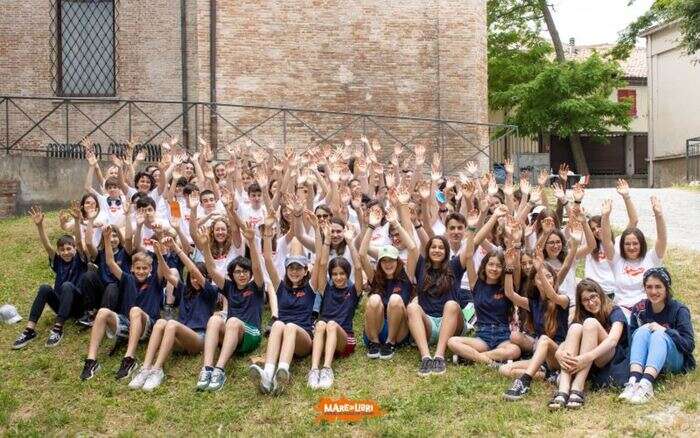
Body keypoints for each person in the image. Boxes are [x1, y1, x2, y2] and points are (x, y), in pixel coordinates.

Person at [128, 238, 221, 391]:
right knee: (160, 323)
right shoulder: (184, 290)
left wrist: (177, 249)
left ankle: (157, 370)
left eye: (198, 278)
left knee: (170, 323)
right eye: (192, 278)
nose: (195, 280)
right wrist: (159, 254)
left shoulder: (210, 292)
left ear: (206, 278)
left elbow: (194, 271)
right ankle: (145, 369)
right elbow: (166, 273)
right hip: (179, 337)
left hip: (198, 339)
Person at [248, 217, 323, 394]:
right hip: (282, 336)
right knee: (279, 323)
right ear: (286, 270)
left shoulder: (310, 287)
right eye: (291, 268)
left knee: (288, 326)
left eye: (298, 268)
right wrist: (266, 236)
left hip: (303, 338)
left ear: (305, 271)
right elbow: (267, 260)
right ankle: (267, 375)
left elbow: (319, 259)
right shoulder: (280, 287)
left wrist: (318, 231)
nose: (295, 272)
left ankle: (283, 371)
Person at [80, 226, 165, 381]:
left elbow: (161, 266)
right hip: (128, 326)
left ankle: (129, 359)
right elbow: (110, 262)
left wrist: (159, 244)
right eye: (137, 268)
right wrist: (106, 238)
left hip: (148, 326)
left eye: (144, 268)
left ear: (150, 269)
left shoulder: (155, 281)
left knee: (135, 311)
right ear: (132, 268)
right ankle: (91, 361)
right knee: (103, 312)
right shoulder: (127, 279)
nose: (141, 271)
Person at [195, 222, 268, 391]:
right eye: (237, 272)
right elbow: (212, 270)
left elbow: (257, 266)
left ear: (249, 274)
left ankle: (219, 370)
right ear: (231, 275)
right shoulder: (229, 287)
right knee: (214, 319)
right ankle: (207, 369)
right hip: (231, 332)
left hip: (251, 333)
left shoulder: (256, 287)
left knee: (233, 321)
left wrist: (251, 242)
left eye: (244, 272)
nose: (241, 275)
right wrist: (205, 246)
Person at [12, 204, 88, 349]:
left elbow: (78, 241)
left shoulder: (79, 260)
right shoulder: (58, 261)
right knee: (45, 288)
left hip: (78, 306)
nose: (65, 252)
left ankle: (58, 329)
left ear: (74, 249)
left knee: (67, 286)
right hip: (60, 304)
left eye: (68, 249)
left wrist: (77, 221)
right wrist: (40, 226)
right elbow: (47, 246)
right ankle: (29, 330)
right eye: (62, 250)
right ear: (58, 251)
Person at [500, 247, 570, 401]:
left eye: (548, 276)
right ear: (534, 282)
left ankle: (525, 381)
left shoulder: (563, 300)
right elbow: (510, 294)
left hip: (558, 353)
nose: (544, 280)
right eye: (539, 278)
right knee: (504, 369)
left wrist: (539, 269)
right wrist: (509, 268)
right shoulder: (533, 303)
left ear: (554, 279)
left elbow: (551, 294)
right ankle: (546, 374)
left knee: (544, 339)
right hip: (542, 358)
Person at [547, 279, 629, 409]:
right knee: (575, 328)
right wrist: (558, 353)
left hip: (609, 357)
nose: (591, 302)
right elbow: (568, 341)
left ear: (600, 294)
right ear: (581, 303)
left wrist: (588, 357)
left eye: (593, 296)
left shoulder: (614, 310)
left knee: (591, 323)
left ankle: (577, 388)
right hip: (588, 363)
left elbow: (613, 340)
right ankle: (563, 390)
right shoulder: (581, 315)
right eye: (585, 300)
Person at [618, 268, 695, 404]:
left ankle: (647, 384)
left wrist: (666, 331)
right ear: (644, 288)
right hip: (645, 360)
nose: (653, 292)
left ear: (667, 288)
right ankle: (633, 381)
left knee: (658, 334)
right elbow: (632, 343)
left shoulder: (679, 310)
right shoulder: (639, 309)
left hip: (673, 360)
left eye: (658, 287)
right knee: (642, 331)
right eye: (649, 287)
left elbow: (688, 345)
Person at [307, 226, 363, 389]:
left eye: (342, 273)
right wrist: (326, 240)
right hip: (325, 336)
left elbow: (358, 267)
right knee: (321, 324)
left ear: (347, 274)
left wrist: (351, 243)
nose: (338, 277)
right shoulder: (326, 288)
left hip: (345, 340)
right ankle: (314, 369)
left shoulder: (353, 291)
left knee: (330, 324)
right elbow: (322, 264)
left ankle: (327, 369)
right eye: (335, 274)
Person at [360, 205, 418, 360]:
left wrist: (396, 223)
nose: (387, 264)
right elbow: (362, 254)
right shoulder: (376, 277)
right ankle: (374, 343)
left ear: (397, 261)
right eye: (383, 261)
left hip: (399, 330)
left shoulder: (406, 275)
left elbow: (413, 249)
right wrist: (371, 225)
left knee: (395, 299)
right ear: (379, 263)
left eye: (391, 260)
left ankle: (390, 343)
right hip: (377, 328)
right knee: (373, 299)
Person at [600, 197, 667, 316]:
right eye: (627, 244)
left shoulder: (651, 258)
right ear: (622, 245)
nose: (631, 247)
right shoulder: (616, 260)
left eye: (635, 243)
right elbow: (606, 241)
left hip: (646, 309)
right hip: (621, 310)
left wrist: (659, 215)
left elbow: (661, 239)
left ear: (642, 244)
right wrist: (605, 217)